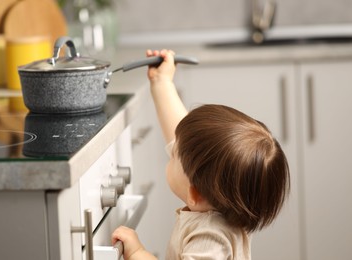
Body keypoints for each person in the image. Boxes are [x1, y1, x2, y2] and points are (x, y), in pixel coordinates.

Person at [112, 49, 290, 260]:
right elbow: (181, 135)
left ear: (195, 194)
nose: (172, 147)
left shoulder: (209, 239)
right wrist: (162, 82)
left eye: (174, 154)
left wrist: (138, 253)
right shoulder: (222, 203)